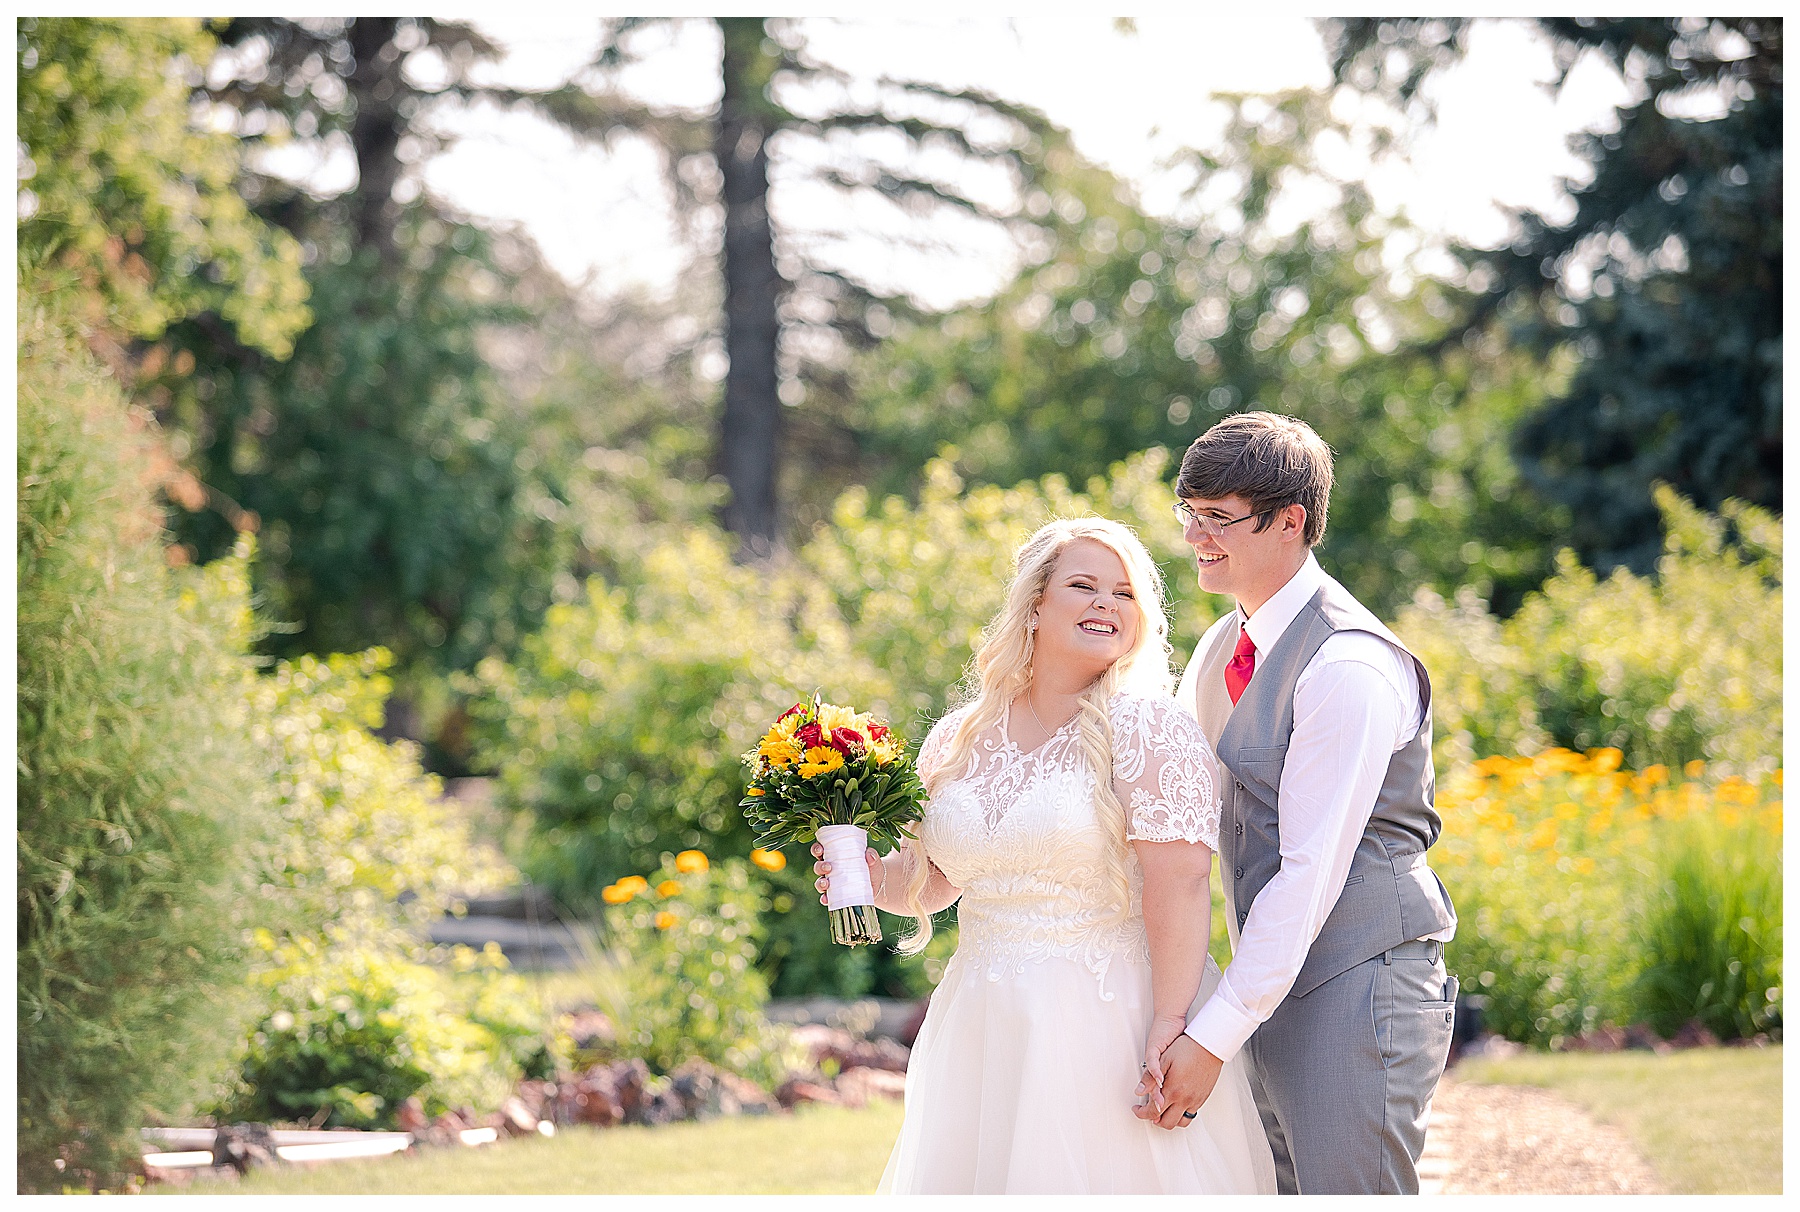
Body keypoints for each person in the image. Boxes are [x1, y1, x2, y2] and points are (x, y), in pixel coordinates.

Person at [812, 517, 1275, 1194]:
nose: (1104, 604)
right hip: (981, 1020)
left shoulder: (1146, 727)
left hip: (1106, 1020)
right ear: (1033, 605)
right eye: (1083, 585)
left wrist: (1174, 1027)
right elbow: (935, 884)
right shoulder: (957, 738)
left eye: (1123, 594)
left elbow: (1179, 884)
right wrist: (868, 875)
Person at [1137, 411, 1459, 1194]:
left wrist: (1210, 1039)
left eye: (1220, 518)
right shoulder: (1221, 648)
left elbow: (1309, 874)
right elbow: (1174, 813)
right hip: (1269, 984)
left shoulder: (1349, 665)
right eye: (1190, 514)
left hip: (1362, 984)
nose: (1196, 537)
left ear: (1293, 522)